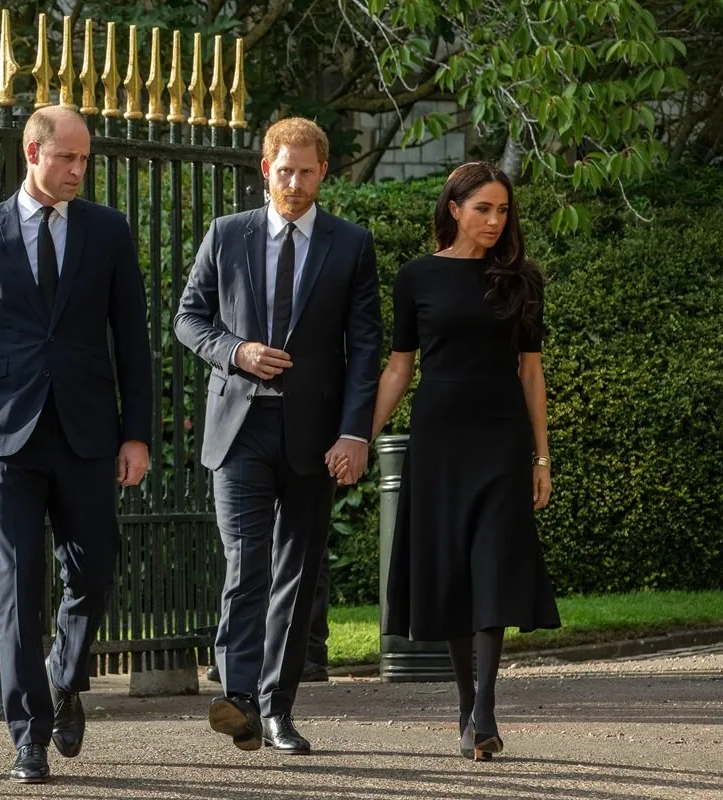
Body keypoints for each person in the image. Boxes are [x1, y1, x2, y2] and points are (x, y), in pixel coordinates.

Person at [0, 106, 153, 784]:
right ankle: (27, 735)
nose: (78, 170)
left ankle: (65, 676)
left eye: (84, 160)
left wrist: (137, 433)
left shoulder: (109, 232)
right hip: (6, 438)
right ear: (33, 152)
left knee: (93, 572)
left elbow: (132, 341)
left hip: (89, 431)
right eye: (67, 158)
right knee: (16, 583)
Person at [174, 117, 383, 754]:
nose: (294, 182)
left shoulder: (350, 245)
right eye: (283, 170)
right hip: (239, 427)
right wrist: (235, 351)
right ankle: (237, 696)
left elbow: (366, 346)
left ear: (324, 172)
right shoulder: (226, 234)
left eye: (306, 171)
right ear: (265, 170)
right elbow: (188, 319)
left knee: (297, 570)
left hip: (315, 434)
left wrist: (355, 434)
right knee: (247, 562)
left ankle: (276, 710)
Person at [361, 161, 561, 762]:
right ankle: (466, 700)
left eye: (503, 211)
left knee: (493, 563)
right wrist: (359, 435)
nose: (496, 221)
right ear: (454, 208)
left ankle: (486, 710)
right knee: (448, 566)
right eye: (484, 209)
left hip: (500, 439)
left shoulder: (522, 279)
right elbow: (400, 365)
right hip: (439, 437)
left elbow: (531, 371)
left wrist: (541, 456)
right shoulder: (416, 277)